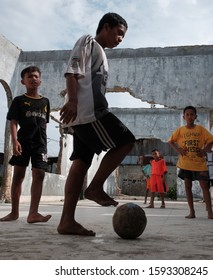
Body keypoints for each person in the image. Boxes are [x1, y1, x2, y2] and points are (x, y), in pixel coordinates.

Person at [57, 13, 135, 236]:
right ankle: (95, 187)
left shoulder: (101, 53)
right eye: (119, 33)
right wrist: (72, 100)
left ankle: (66, 222)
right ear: (106, 27)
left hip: (84, 115)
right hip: (90, 113)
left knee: (81, 162)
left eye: (123, 36)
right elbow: (72, 72)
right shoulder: (88, 42)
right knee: (126, 141)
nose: (121, 39)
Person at [0, 66, 52, 223]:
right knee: (18, 175)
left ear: (40, 80)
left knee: (39, 174)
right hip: (22, 142)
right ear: (23, 81)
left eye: (36, 76)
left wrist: (44, 142)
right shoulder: (19, 100)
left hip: (40, 144)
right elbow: (13, 122)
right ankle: (14, 212)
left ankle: (33, 213)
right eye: (30, 77)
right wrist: (14, 141)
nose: (33, 79)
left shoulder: (45, 102)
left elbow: (44, 124)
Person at [168, 106, 213, 220]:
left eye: (192, 114)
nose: (189, 116)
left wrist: (203, 151)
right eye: (187, 114)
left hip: (199, 163)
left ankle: (210, 212)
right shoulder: (180, 130)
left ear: (196, 117)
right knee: (188, 186)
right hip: (185, 163)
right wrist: (179, 150)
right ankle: (192, 211)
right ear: (184, 117)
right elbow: (171, 141)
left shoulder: (201, 129)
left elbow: (210, 142)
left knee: (205, 186)